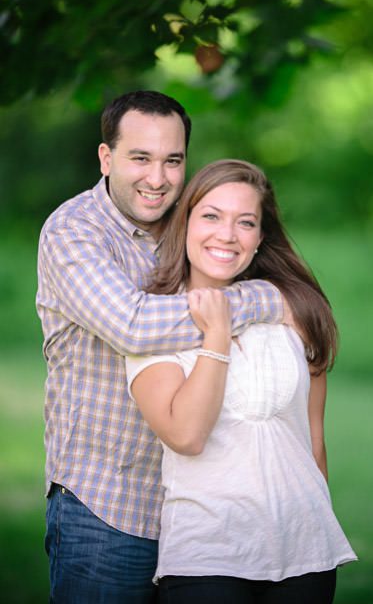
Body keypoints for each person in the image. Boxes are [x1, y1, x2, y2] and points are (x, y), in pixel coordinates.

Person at [37, 91, 287, 602]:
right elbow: (132, 324)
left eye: (172, 161)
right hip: (107, 505)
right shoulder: (73, 232)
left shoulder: (192, 222)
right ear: (106, 159)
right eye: (140, 159)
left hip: (200, 508)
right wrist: (258, 299)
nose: (157, 178)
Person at [123, 159, 356, 603]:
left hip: (305, 548)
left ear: (260, 237)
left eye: (244, 222)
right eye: (211, 216)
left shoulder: (291, 313)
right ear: (185, 221)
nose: (226, 235)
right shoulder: (152, 324)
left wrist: (318, 521)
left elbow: (314, 442)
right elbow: (187, 435)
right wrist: (216, 334)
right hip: (209, 552)